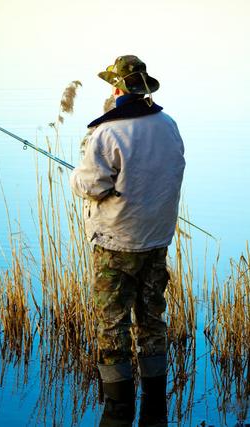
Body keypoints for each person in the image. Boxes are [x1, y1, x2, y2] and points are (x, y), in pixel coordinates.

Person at [69, 55, 186, 426]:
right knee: (152, 318)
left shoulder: (107, 133)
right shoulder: (169, 125)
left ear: (118, 89)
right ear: (144, 88)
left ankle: (117, 407)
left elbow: (91, 185)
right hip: (156, 240)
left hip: (116, 242)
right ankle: (154, 400)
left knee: (112, 322)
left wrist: (76, 177)